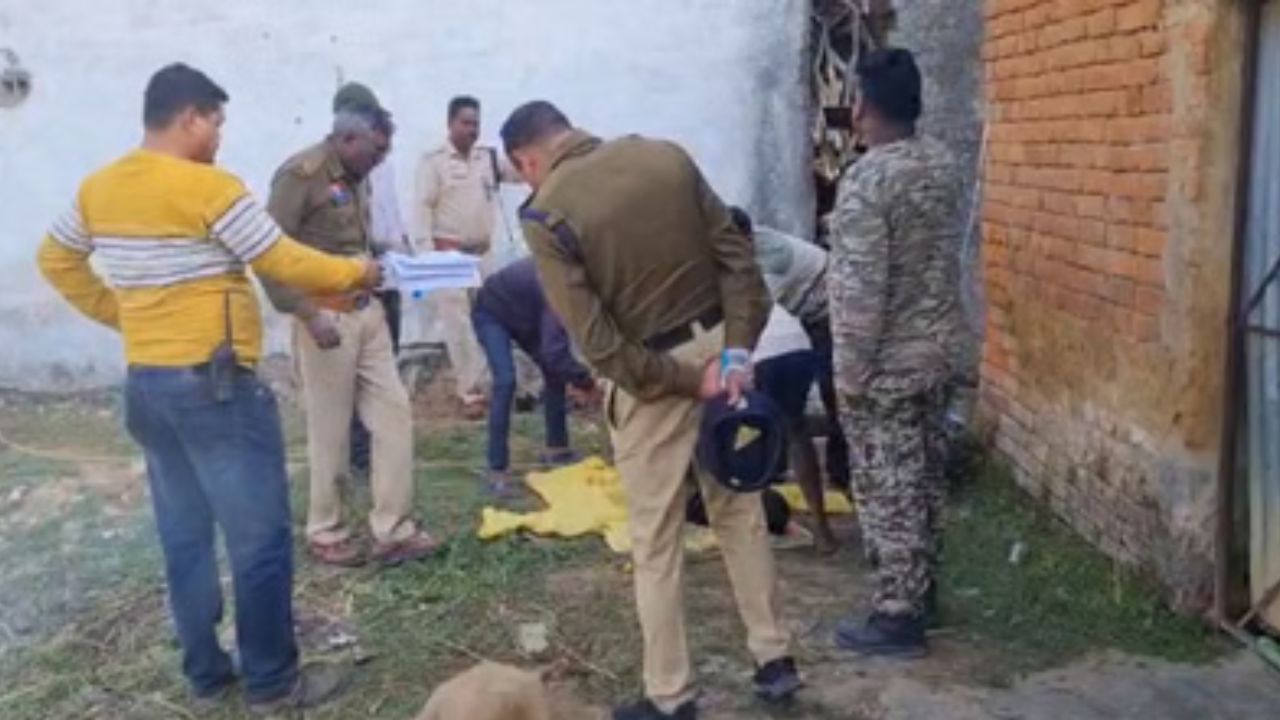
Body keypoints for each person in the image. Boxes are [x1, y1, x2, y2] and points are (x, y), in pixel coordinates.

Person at [36, 63, 380, 713]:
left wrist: (126, 316)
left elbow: (55, 259)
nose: (220, 136)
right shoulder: (208, 186)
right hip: (216, 389)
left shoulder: (98, 188)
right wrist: (357, 269)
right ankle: (273, 683)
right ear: (190, 117)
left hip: (148, 387)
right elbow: (280, 257)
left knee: (185, 536)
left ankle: (206, 675)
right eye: (216, 122)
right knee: (259, 539)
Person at [501, 101, 799, 720]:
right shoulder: (666, 156)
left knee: (656, 538)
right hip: (722, 347)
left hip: (655, 379)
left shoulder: (546, 213)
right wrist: (735, 352)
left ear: (526, 160)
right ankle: (774, 657)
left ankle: (671, 694)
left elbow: (599, 345)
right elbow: (737, 260)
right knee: (738, 510)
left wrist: (687, 381)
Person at [828, 48, 968, 658]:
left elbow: (861, 288)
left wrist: (850, 373)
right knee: (925, 478)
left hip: (886, 365)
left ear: (862, 105)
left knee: (888, 488)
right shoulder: (942, 165)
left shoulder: (869, 180)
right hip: (939, 350)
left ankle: (897, 614)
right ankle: (923, 591)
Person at [261, 90, 439, 568]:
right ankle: (326, 530)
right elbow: (267, 255)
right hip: (326, 319)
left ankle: (393, 529)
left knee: (394, 416)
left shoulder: (358, 175)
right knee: (331, 432)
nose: (380, 160)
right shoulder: (300, 176)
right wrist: (306, 314)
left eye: (385, 152)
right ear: (347, 139)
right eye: (375, 150)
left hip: (368, 313)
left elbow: (353, 244)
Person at [730, 207, 842, 553]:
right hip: (797, 340)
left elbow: (747, 320)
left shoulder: (769, 263)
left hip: (800, 332)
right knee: (795, 431)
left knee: (742, 429)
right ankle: (821, 529)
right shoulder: (752, 244)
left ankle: (756, 524)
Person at [415, 95, 522, 416]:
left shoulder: (487, 158)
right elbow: (421, 208)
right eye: (465, 123)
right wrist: (427, 257)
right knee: (459, 324)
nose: (472, 130)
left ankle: (501, 384)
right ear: (450, 124)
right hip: (448, 256)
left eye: (475, 123)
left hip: (482, 255)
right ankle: (471, 392)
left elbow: (520, 171)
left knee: (493, 317)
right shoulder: (433, 162)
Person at [333, 83, 411, 478]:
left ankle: (380, 445)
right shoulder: (336, 173)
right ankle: (358, 453)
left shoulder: (384, 165)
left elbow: (391, 218)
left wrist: (405, 254)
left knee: (384, 366)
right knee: (352, 372)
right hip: (357, 279)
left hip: (389, 277)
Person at [471, 257, 593, 495]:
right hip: (491, 314)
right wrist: (586, 382)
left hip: (525, 313)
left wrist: (580, 378)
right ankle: (496, 470)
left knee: (553, 371)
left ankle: (557, 449)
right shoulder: (558, 283)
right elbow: (554, 351)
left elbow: (554, 353)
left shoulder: (572, 279)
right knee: (505, 381)